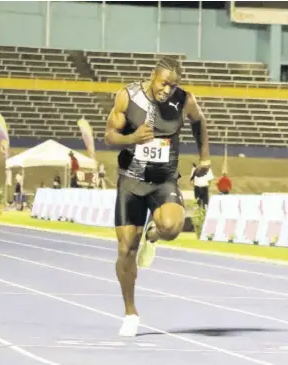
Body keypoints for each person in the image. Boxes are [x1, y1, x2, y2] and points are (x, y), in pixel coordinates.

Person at [104, 56, 211, 337]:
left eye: (173, 86)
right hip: (131, 181)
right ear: (154, 76)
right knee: (126, 248)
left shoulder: (184, 100)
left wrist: (204, 158)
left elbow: (199, 122)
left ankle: (153, 235)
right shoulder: (127, 96)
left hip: (164, 179)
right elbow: (109, 135)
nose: (168, 90)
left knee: (172, 227)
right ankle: (130, 312)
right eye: (164, 83)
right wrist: (132, 138)